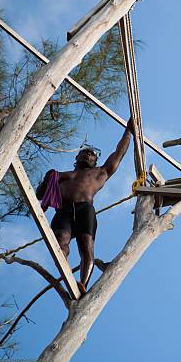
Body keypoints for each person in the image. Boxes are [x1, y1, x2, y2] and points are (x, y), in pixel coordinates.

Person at [36, 119, 134, 294]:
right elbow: (39, 195)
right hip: (63, 212)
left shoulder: (100, 172)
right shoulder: (61, 176)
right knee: (61, 243)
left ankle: (83, 283)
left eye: (92, 154)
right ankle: (66, 271)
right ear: (77, 157)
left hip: (85, 210)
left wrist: (128, 132)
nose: (89, 154)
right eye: (85, 152)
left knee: (87, 248)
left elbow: (119, 153)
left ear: (96, 161)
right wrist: (46, 179)